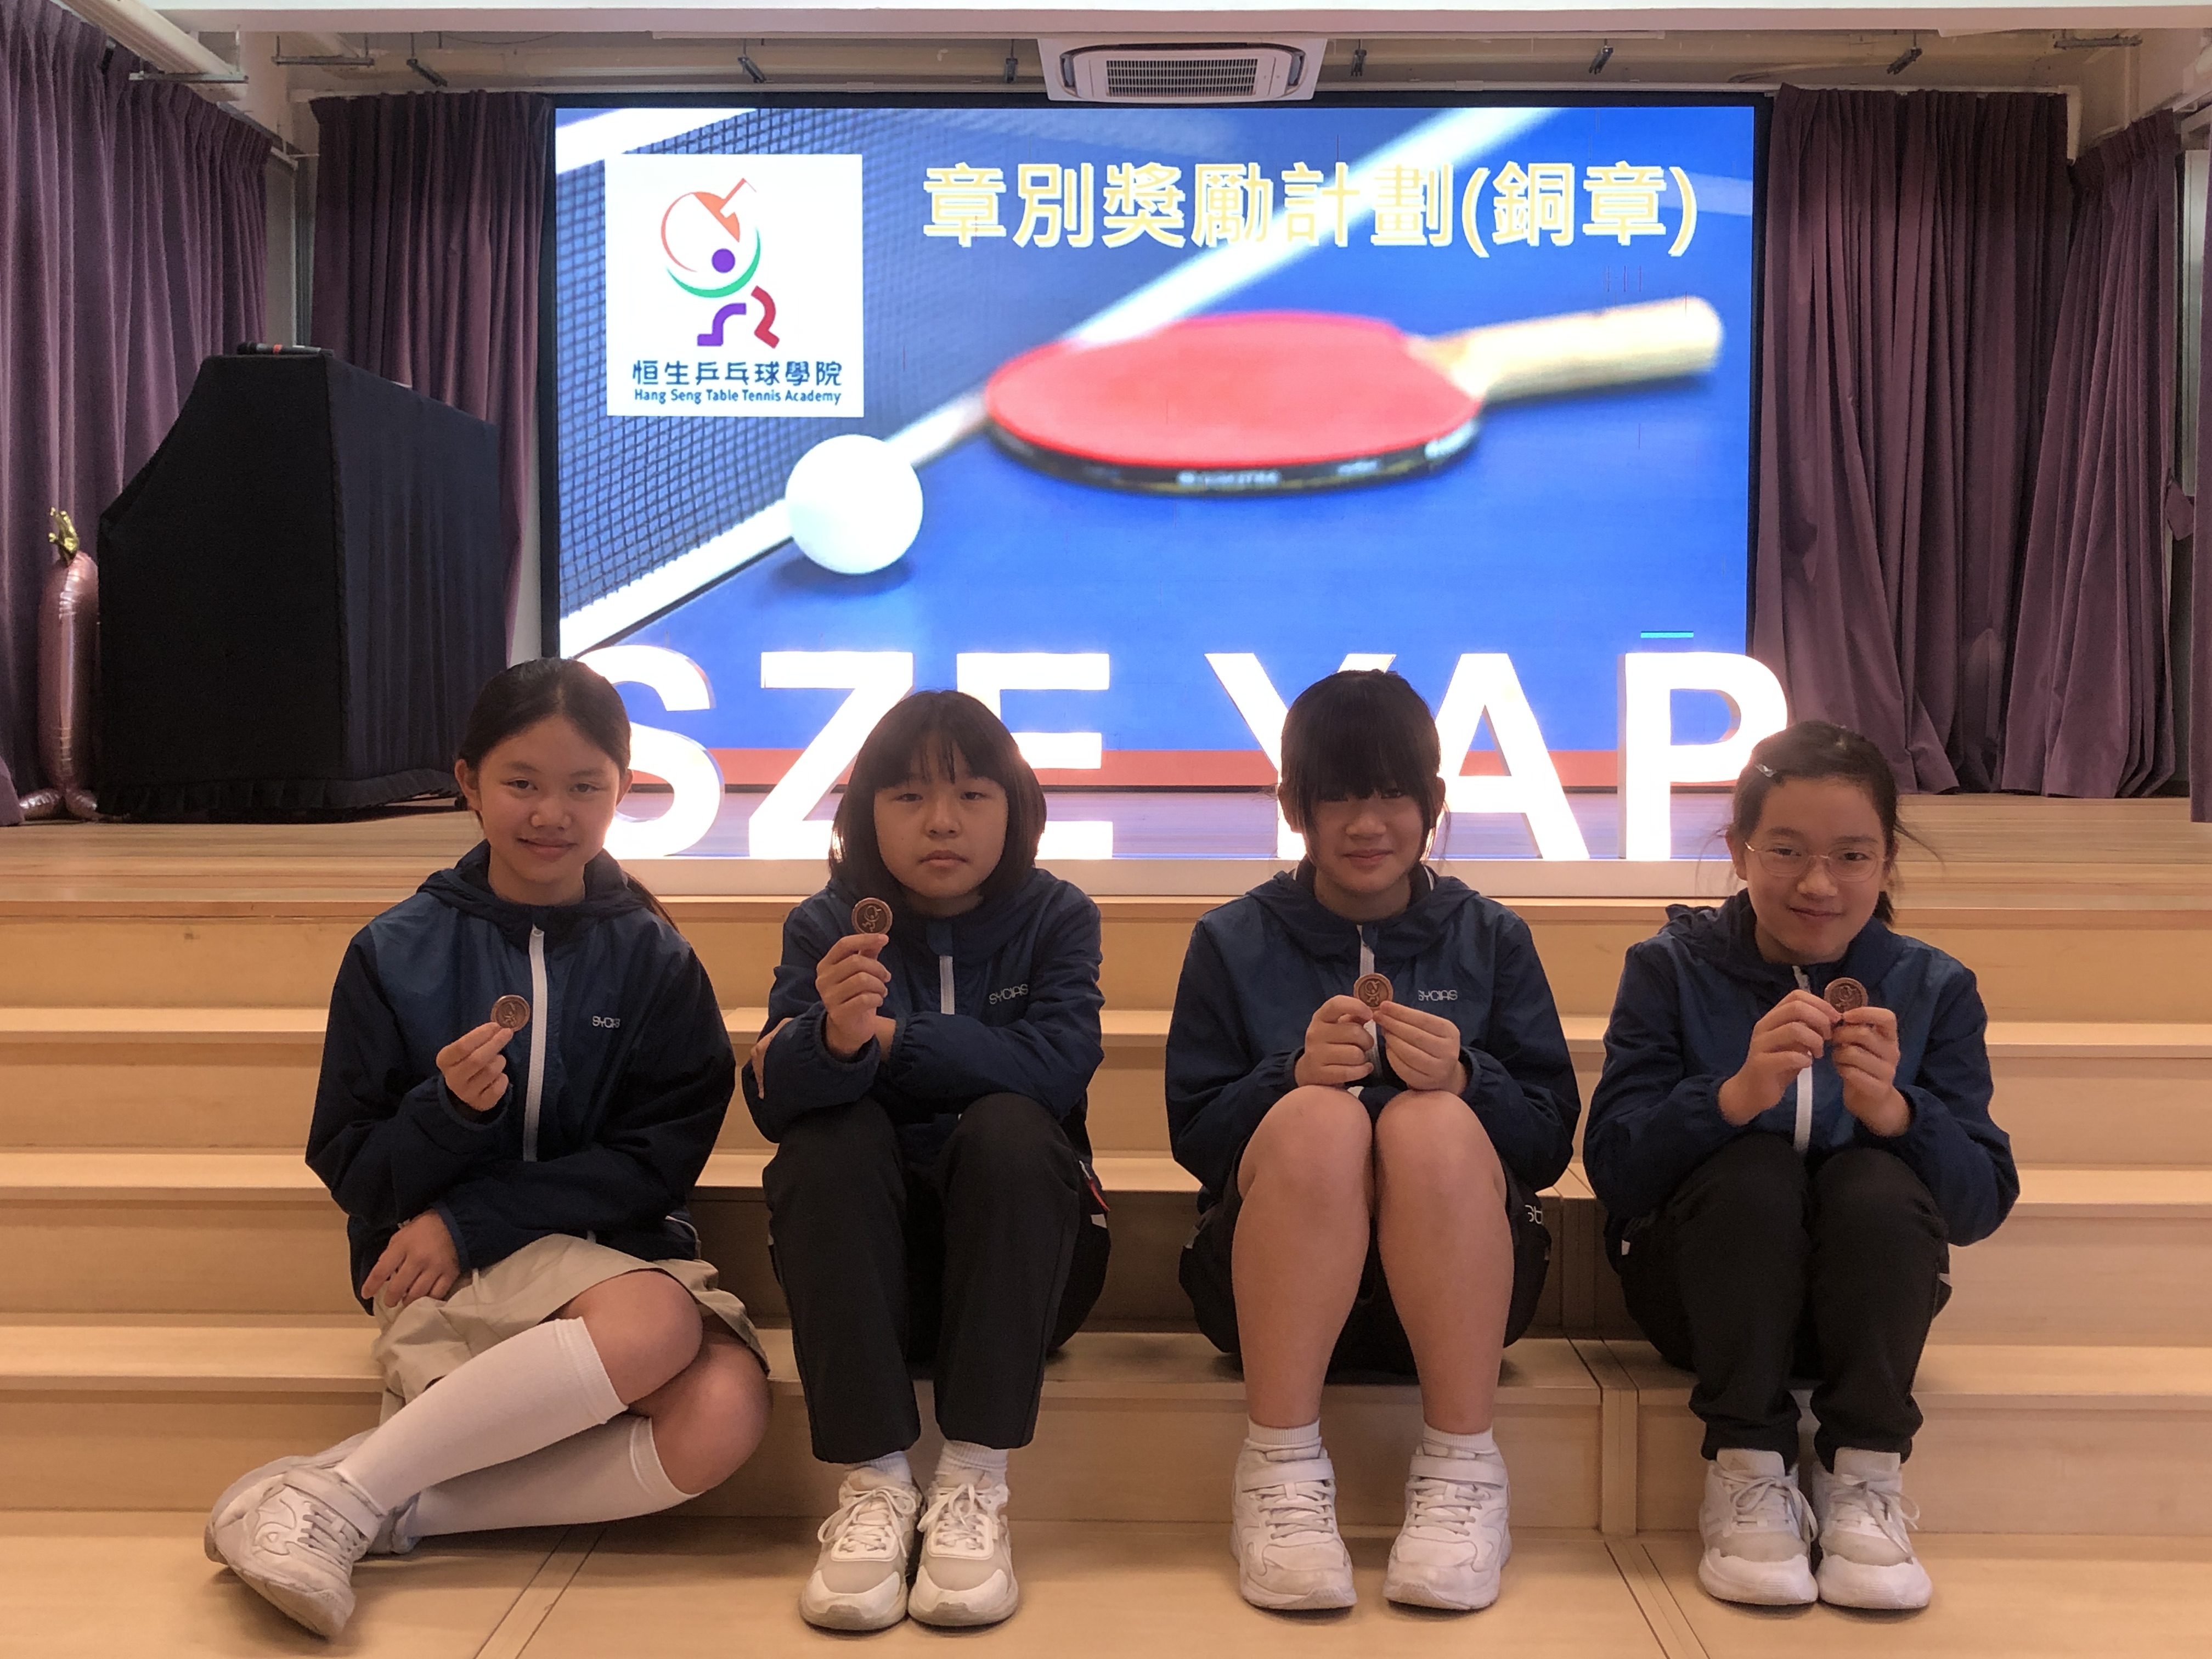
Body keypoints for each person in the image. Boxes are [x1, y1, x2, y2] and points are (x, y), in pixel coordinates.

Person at [205, 659, 770, 1638]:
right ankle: (347, 1499)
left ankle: (354, 1499)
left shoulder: (656, 959)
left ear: (622, 791)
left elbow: (656, 1165)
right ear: (467, 782)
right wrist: (449, 1117)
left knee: (725, 1407)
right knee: (655, 1326)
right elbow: (356, 1169)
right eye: (522, 783)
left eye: (584, 786)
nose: (552, 813)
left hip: (600, 1255)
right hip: (440, 1270)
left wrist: (473, 1217)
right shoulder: (396, 950)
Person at [1166, 669, 1578, 1614]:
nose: (1367, 823)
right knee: (1320, 1119)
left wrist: (1470, 1080)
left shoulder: (1492, 938)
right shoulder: (1232, 940)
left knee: (1430, 1120)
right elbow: (1198, 1141)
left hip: (1466, 1306)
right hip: (1264, 1303)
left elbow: (1549, 1145)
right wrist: (1288, 1077)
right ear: (1295, 809)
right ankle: (1279, 1475)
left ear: (1433, 802)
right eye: (1339, 797)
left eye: (1392, 794)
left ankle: (1464, 1475)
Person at [1585, 720, 2016, 1611]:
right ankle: (1746, 1466)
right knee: (1753, 1173)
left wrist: (1899, 1114)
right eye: (1785, 851)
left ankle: (1866, 1474)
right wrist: (1731, 1096)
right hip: (1703, 1307)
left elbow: (1978, 1205)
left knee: (1875, 1185)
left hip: (1868, 1319)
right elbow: (1617, 1174)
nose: (1818, 884)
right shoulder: (1669, 970)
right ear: (1739, 851)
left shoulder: (1935, 987)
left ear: (1887, 863)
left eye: (1851, 856)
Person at [746, 690, 1109, 1633]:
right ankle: (874, 1485)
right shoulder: (827, 922)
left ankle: (974, 1478)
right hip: (875, 1278)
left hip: (1030, 1269)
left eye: (972, 795)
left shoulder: (1057, 916)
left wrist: (893, 1041)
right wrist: (831, 1039)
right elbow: (771, 1099)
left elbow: (1058, 1066)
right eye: (908, 796)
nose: (942, 822)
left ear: (1016, 808)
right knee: (826, 1141)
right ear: (866, 812)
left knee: (1013, 1128)